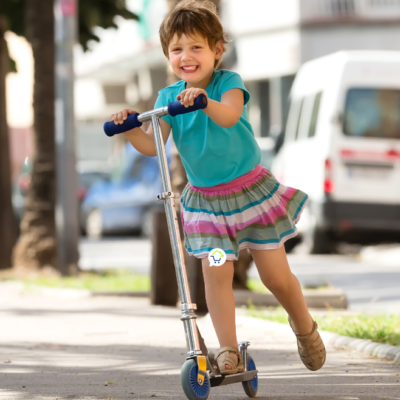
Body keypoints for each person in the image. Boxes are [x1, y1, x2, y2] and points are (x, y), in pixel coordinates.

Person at [110, 0, 326, 376]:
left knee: (275, 276)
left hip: (251, 198)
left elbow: (229, 116)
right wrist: (130, 127)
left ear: (217, 51)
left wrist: (203, 100)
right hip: (209, 209)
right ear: (167, 56)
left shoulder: (230, 84)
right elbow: (152, 146)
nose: (186, 56)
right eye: (177, 49)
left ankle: (304, 326)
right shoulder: (166, 99)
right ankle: (228, 350)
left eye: (196, 47)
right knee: (217, 272)